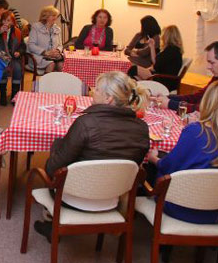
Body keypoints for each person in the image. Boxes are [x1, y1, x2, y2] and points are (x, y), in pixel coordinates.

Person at [34, 72, 150, 240]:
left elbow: (52, 169)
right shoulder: (142, 128)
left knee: (56, 161)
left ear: (108, 98)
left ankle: (53, 225)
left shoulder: (85, 124)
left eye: (96, 89)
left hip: (73, 198)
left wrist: (56, 147)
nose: (91, 91)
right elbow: (130, 170)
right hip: (111, 198)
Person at [146, 80, 218, 223]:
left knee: (151, 169)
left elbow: (169, 167)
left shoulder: (195, 131)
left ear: (208, 103)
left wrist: (155, 160)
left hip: (180, 207)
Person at [156, 40, 218, 113]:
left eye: (212, 63)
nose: (208, 67)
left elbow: (206, 110)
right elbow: (197, 97)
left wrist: (170, 103)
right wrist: (167, 97)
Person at [0, 11, 25, 105]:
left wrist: (19, 52)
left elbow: (22, 46)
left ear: (12, 22)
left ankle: (14, 95)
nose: (6, 22)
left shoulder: (17, 31)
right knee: (2, 68)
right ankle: (3, 95)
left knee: (17, 69)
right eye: (4, 20)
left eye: (8, 20)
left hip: (13, 57)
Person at [133, 25, 183, 92]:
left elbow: (156, 65)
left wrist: (149, 69)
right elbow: (156, 62)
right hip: (163, 78)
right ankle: (141, 91)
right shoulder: (174, 50)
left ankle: (140, 92)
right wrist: (152, 46)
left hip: (163, 81)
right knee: (136, 76)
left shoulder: (170, 51)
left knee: (133, 70)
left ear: (167, 36)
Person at [26, 5, 63, 74]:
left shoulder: (57, 29)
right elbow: (31, 45)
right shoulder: (36, 27)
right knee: (51, 64)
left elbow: (60, 45)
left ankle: (57, 81)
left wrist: (57, 51)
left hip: (53, 57)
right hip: (39, 57)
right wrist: (45, 52)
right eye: (53, 15)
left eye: (56, 16)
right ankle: (45, 81)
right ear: (46, 16)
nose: (55, 17)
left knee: (62, 65)